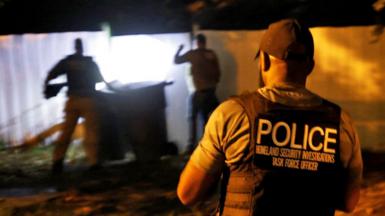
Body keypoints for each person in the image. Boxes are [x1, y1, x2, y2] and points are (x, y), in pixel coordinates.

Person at [177, 19, 363, 215]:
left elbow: (188, 193)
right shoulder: (341, 122)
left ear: (264, 61)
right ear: (310, 66)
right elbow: (348, 202)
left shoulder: (233, 114)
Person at [44, 38, 104, 175]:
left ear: (74, 47)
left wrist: (48, 87)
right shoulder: (90, 63)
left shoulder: (67, 62)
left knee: (66, 131)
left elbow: (51, 74)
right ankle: (94, 163)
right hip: (89, 100)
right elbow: (99, 79)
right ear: (82, 48)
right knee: (92, 132)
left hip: (73, 100)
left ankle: (57, 162)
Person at [174, 33, 221, 153]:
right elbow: (218, 73)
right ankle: (207, 147)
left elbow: (176, 60)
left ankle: (191, 146)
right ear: (205, 42)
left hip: (198, 92)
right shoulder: (211, 54)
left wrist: (179, 49)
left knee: (192, 118)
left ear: (197, 43)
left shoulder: (193, 54)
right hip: (211, 92)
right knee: (206, 120)